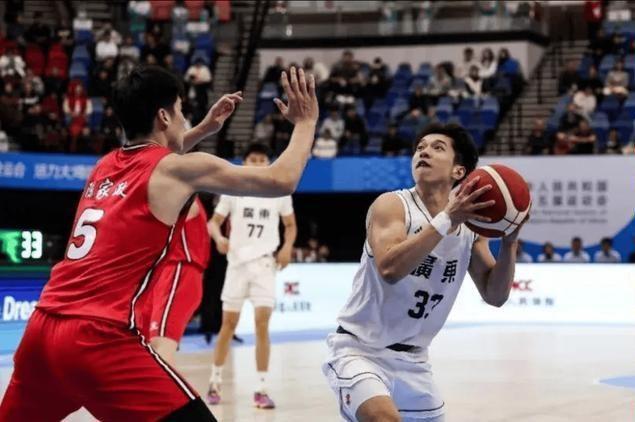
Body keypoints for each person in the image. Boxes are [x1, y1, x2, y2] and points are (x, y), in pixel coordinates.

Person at [0, 65, 318, 420]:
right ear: (164, 116)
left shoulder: (104, 167)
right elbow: (282, 179)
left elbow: (154, 162)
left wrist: (203, 129)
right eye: (181, 110)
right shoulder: (177, 170)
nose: (184, 119)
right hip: (98, 335)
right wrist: (306, 123)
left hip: (42, 329)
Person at [322, 122, 528, 422]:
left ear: (459, 171)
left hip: (414, 360)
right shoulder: (392, 205)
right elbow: (390, 268)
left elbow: (495, 296)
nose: (424, 152)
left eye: (437, 147)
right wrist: (446, 219)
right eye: (420, 147)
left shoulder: (470, 230)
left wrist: (509, 243)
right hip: (360, 350)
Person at [206, 143, 297, 409]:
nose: (257, 164)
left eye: (262, 159)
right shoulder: (233, 190)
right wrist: (219, 238)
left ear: (268, 162)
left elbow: (290, 225)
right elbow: (213, 222)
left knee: (262, 324)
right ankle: (215, 381)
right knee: (228, 325)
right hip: (237, 264)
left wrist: (287, 248)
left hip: (265, 264)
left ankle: (261, 388)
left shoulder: (279, 191)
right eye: (253, 159)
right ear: (244, 162)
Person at [139, 196, 210, 365]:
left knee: (161, 346)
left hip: (179, 271)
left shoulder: (185, 198)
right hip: (165, 274)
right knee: (149, 347)